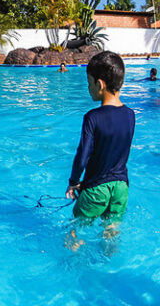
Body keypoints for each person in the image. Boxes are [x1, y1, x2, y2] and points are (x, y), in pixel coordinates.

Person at [65, 51, 135, 250]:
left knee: (74, 227)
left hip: (97, 190)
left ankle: (73, 266)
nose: (88, 87)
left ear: (100, 84)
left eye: (89, 82)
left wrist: (74, 182)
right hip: (121, 187)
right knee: (111, 230)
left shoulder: (92, 118)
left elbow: (82, 156)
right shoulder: (131, 115)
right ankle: (109, 266)